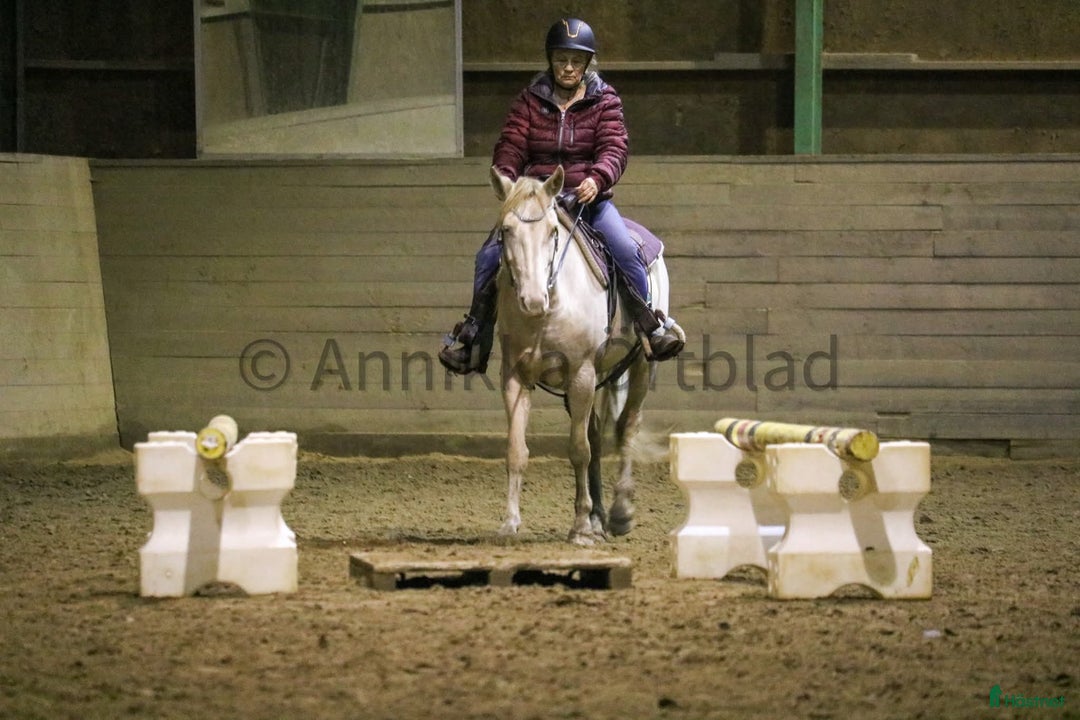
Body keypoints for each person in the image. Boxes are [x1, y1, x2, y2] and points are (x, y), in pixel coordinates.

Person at [439, 17, 684, 375]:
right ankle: (474, 338)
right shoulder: (529, 100)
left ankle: (651, 326)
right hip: (537, 202)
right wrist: (507, 179)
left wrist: (598, 179)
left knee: (625, 249)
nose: (567, 68)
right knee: (488, 258)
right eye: (560, 60)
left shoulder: (605, 100)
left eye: (575, 61)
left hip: (588, 200)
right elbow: (510, 144)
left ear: (587, 64)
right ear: (550, 61)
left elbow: (615, 147)